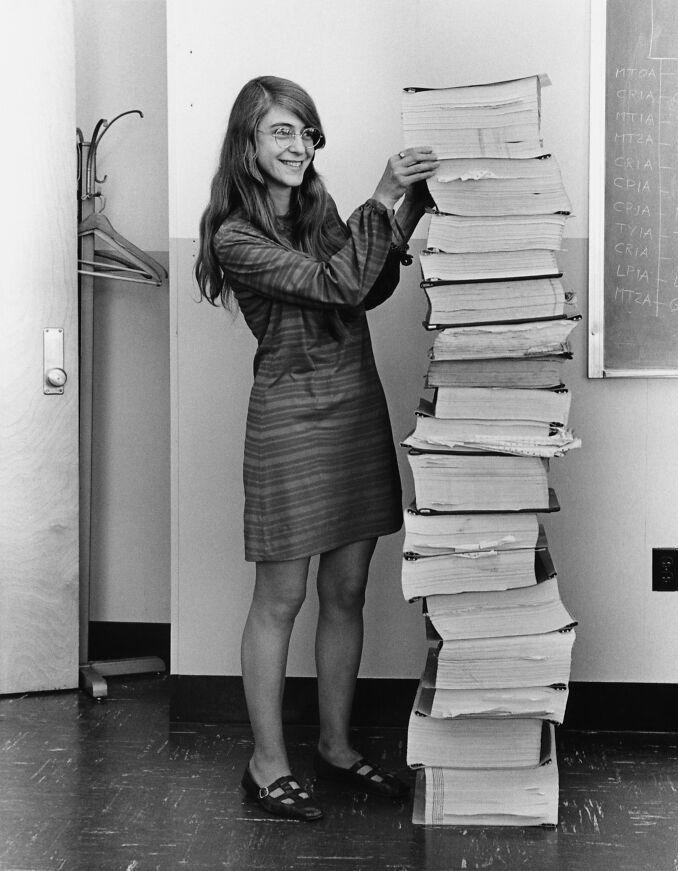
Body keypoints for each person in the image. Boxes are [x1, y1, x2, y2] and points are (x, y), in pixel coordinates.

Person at [195, 75, 437, 822]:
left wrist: (413, 205)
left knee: (345, 590)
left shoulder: (317, 207)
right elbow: (335, 282)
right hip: (290, 418)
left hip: (352, 406)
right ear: (248, 141)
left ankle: (334, 743)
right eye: (281, 132)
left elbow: (363, 287)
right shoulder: (236, 235)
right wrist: (383, 193)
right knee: (282, 598)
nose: (298, 146)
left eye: (305, 132)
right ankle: (265, 764)